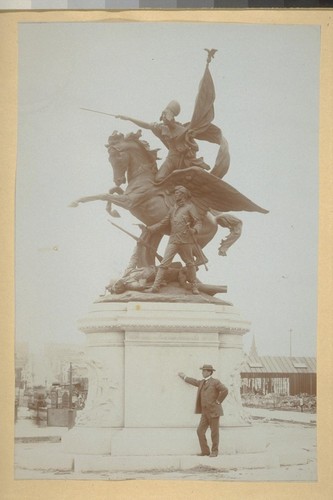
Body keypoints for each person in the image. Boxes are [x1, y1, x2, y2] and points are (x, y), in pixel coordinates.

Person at [116, 101, 209, 181]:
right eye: (163, 115)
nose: (163, 117)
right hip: (170, 159)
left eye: (166, 115)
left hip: (183, 162)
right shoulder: (161, 128)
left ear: (171, 116)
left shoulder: (183, 130)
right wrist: (128, 118)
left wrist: (188, 144)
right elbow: (146, 125)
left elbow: (195, 147)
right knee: (158, 179)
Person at [145, 185, 202, 294]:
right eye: (175, 193)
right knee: (164, 264)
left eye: (177, 193)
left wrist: (194, 230)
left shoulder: (190, 207)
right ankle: (155, 287)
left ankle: (194, 286)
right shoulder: (173, 209)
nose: (175, 195)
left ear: (183, 195)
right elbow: (164, 222)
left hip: (186, 241)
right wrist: (151, 228)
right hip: (173, 240)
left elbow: (198, 222)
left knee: (190, 263)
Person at [178, 364, 228, 457]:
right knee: (200, 431)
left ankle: (214, 451)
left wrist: (218, 401)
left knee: (214, 433)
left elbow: (225, 390)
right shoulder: (201, 382)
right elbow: (194, 381)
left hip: (214, 412)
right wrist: (184, 377)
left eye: (204, 371)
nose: (202, 372)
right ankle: (205, 451)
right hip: (205, 413)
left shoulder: (215, 382)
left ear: (209, 372)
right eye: (202, 371)